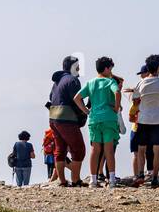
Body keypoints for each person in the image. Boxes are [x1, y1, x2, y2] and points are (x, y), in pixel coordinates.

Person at [77, 56, 123, 188]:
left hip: (94, 118)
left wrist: (86, 111)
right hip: (108, 118)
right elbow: (118, 93)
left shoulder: (90, 83)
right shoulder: (110, 82)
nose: (111, 71)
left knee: (95, 150)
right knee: (108, 149)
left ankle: (93, 180)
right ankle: (112, 180)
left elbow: (77, 98)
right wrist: (116, 107)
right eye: (111, 68)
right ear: (107, 68)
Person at [129, 54, 159, 188]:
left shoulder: (141, 83)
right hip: (158, 120)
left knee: (141, 148)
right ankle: (154, 179)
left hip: (143, 119)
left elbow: (135, 101)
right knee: (157, 149)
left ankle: (140, 174)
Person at [47, 55, 86, 187]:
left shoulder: (57, 81)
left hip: (53, 118)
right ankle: (76, 180)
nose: (80, 68)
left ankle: (62, 181)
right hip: (67, 118)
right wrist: (85, 112)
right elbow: (77, 99)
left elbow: (51, 97)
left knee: (60, 149)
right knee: (78, 149)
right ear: (73, 66)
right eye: (78, 66)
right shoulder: (73, 80)